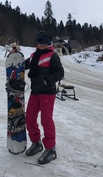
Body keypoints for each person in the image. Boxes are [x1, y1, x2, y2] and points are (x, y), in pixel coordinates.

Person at [24, 32, 64, 164]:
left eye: (45, 42)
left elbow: (60, 72)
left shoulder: (52, 55)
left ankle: (51, 150)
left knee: (46, 120)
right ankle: (36, 143)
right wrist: (15, 53)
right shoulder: (34, 56)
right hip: (35, 92)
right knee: (29, 118)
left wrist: (49, 80)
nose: (41, 44)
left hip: (47, 93)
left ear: (49, 43)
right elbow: (23, 65)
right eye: (40, 41)